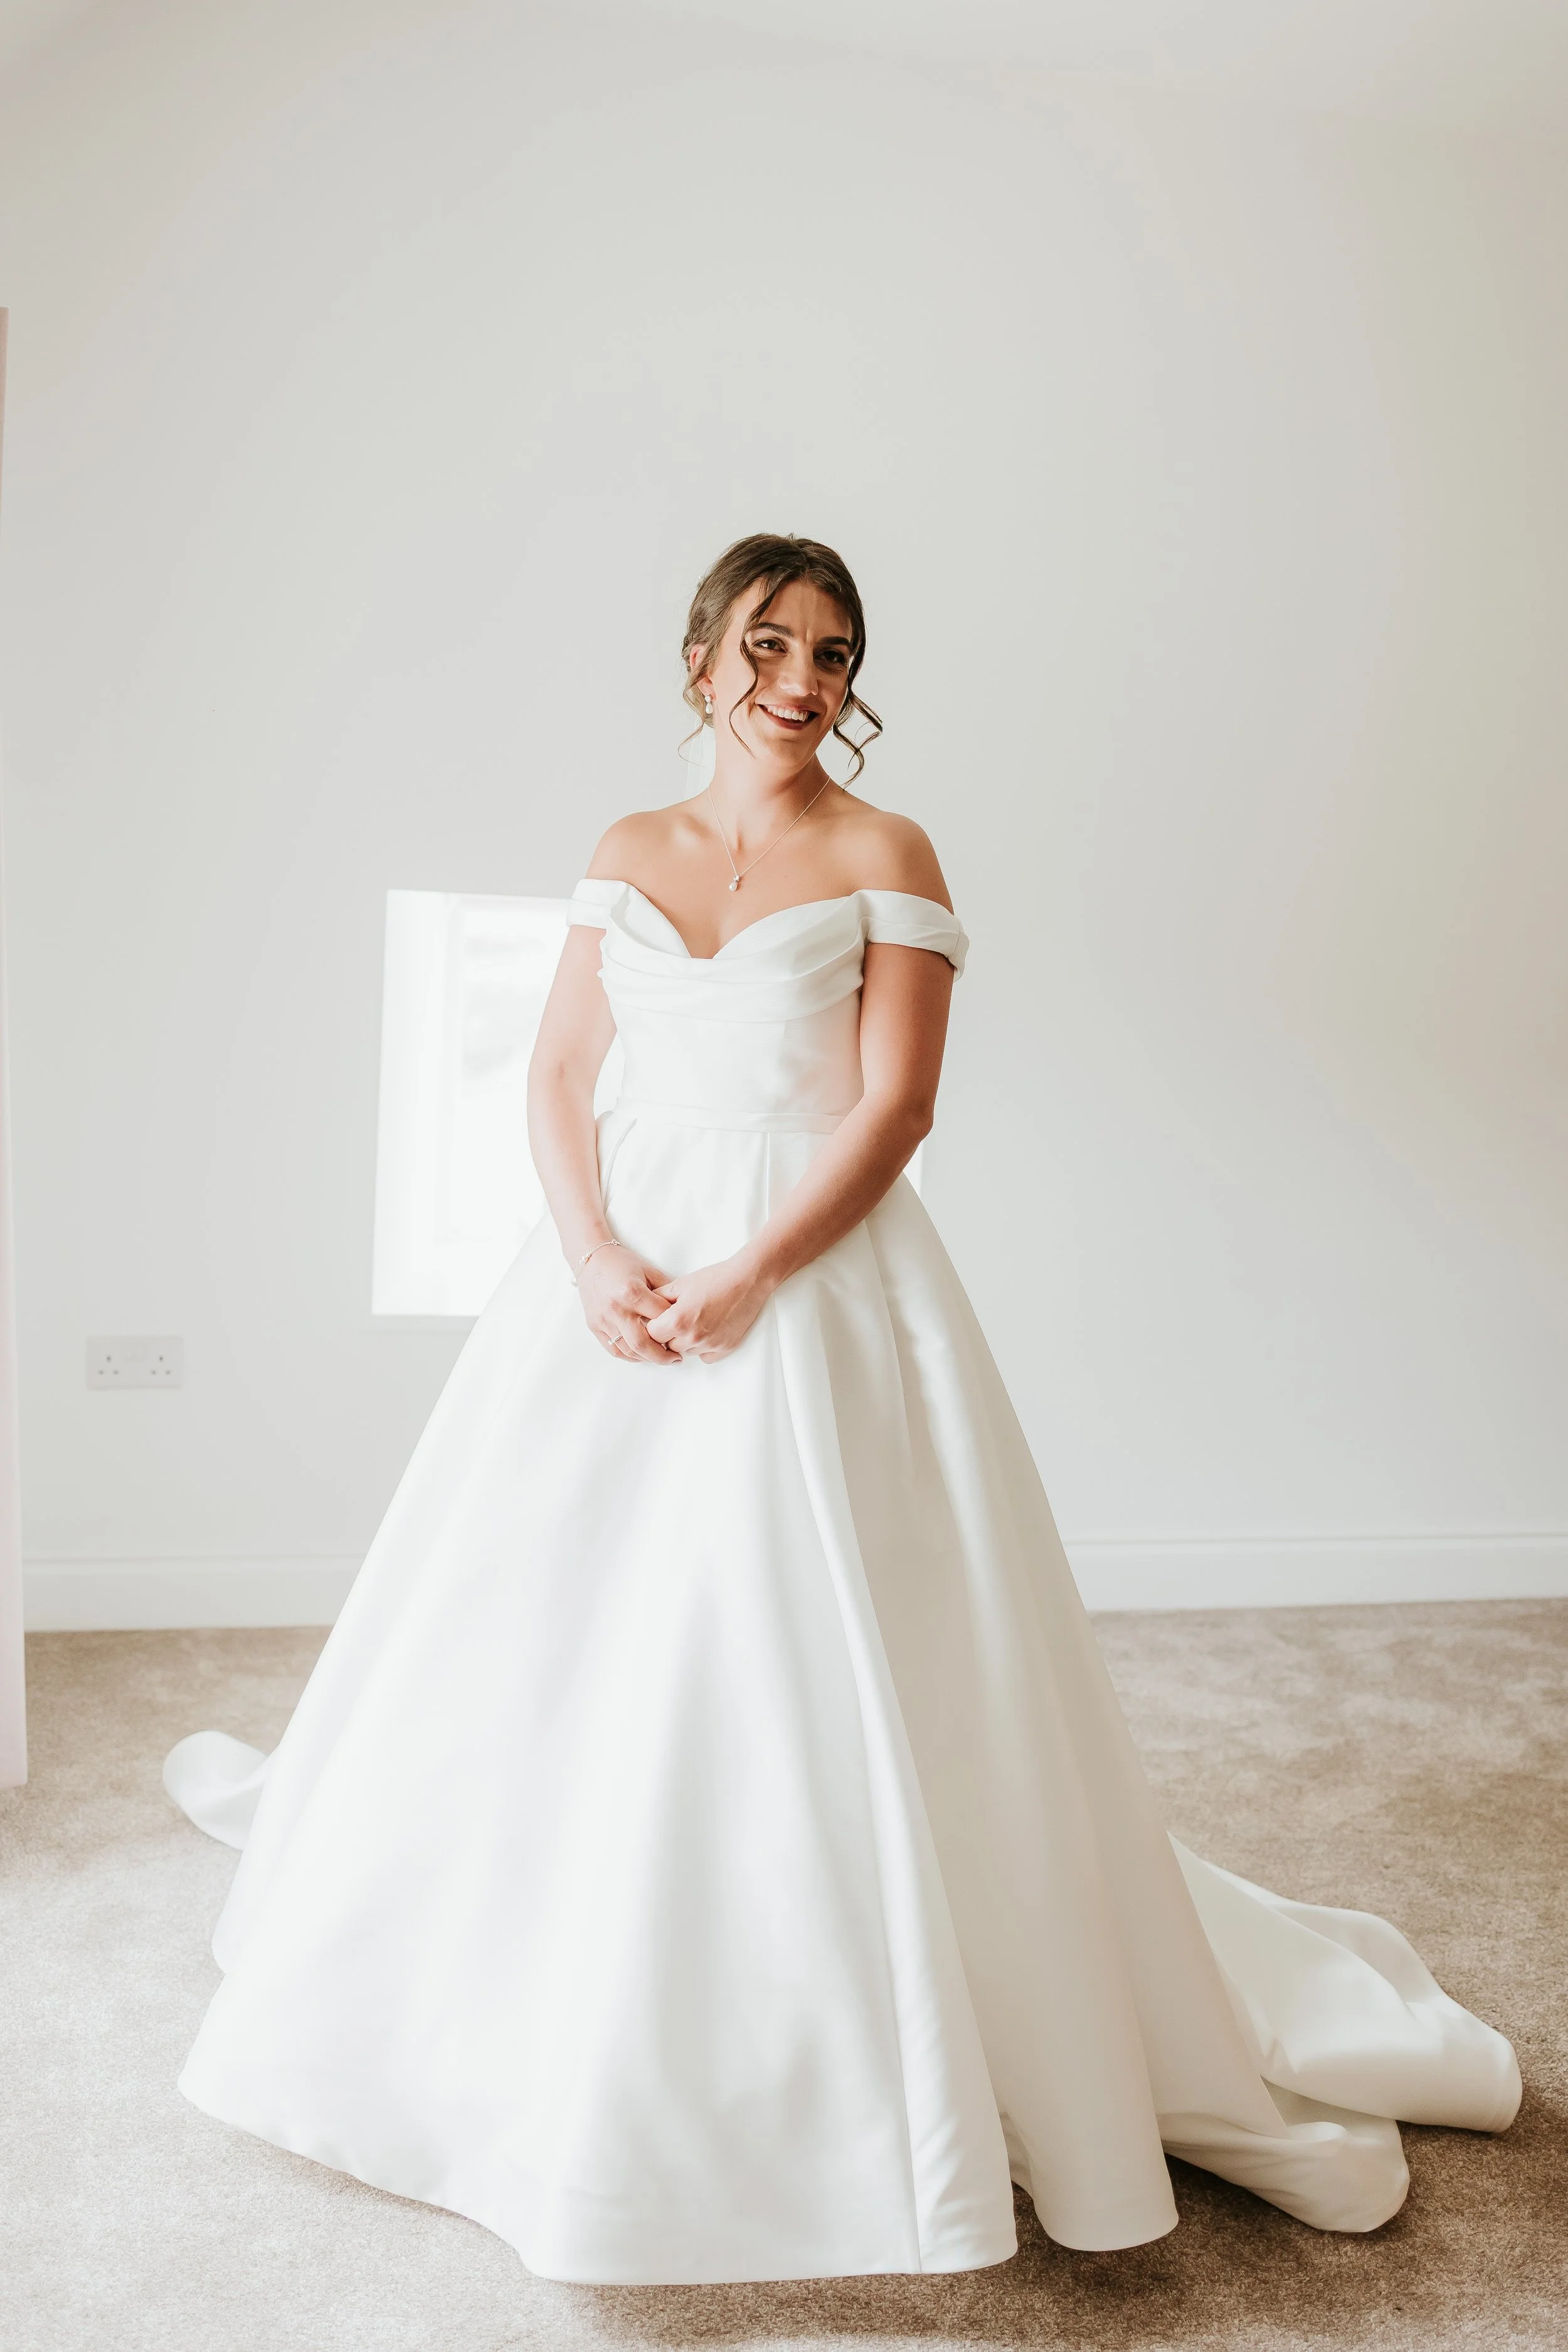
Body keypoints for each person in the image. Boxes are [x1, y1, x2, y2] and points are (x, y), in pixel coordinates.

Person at [166, 532, 1520, 2286]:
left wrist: (745, 1275)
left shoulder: (886, 851)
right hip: (613, 1273)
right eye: (768, 642)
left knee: (826, 1647)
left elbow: (890, 1113)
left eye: (831, 651)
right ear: (699, 658)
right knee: (540, 1623)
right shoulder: (627, 848)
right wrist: (592, 1260)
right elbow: (565, 1071)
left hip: (811, 1275)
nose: (800, 679)